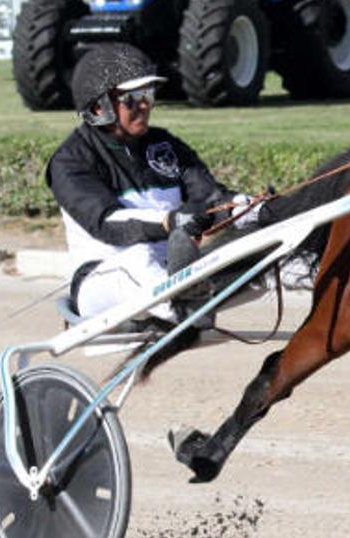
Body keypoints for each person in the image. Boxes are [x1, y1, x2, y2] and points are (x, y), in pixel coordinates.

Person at [47, 43, 262, 328]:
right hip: (102, 281)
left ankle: (188, 297)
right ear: (100, 106)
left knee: (262, 245)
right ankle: (187, 308)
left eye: (148, 94)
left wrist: (252, 208)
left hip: (171, 272)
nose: (146, 104)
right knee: (138, 258)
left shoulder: (164, 145)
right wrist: (171, 221)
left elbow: (212, 197)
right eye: (133, 97)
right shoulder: (69, 161)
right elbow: (108, 223)